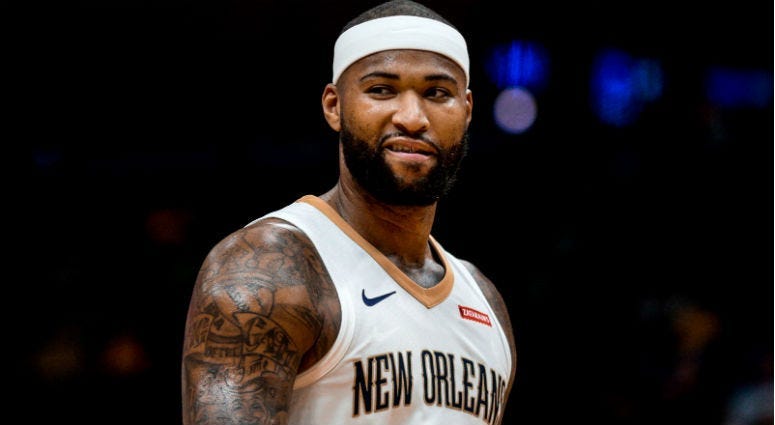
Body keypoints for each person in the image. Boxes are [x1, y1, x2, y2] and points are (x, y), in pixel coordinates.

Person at [181, 1, 517, 424]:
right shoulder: (268, 268)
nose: (412, 118)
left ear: (466, 111)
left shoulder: (484, 301)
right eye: (382, 90)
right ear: (334, 106)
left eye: (437, 93)